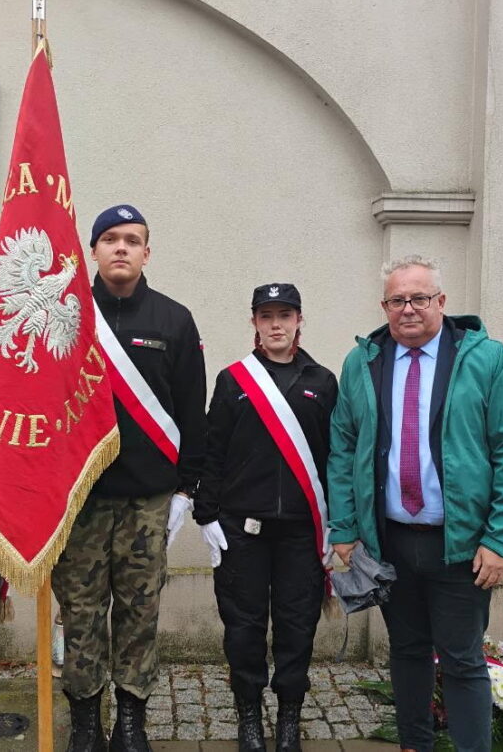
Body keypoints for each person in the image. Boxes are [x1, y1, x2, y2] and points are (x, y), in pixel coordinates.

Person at [327, 255, 503, 752]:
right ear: (385, 306)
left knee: (462, 660)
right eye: (397, 300)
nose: (409, 309)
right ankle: (414, 745)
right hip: (390, 541)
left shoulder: (486, 359)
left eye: (419, 298)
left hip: (461, 547)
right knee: (407, 651)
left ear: (441, 302)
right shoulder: (364, 361)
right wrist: (344, 527)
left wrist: (501, 540)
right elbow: (343, 447)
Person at [51, 204, 207, 752]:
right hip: (80, 502)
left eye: (132, 239)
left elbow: (193, 411)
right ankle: (88, 722)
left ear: (147, 252)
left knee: (140, 611)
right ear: (92, 250)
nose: (121, 248)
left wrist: (188, 488)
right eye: (110, 239)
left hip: (147, 499)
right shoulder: (63, 316)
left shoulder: (174, 320)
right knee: (82, 612)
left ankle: (133, 721)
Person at [195, 283, 338, 752]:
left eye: (285, 315)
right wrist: (207, 514)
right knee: (244, 628)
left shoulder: (322, 381)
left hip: (301, 532)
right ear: (254, 323)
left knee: (298, 628)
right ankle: (250, 717)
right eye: (266, 316)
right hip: (243, 531)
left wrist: (337, 520)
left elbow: (335, 457)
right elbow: (213, 451)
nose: (276, 324)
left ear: (300, 320)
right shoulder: (233, 380)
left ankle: (290, 717)